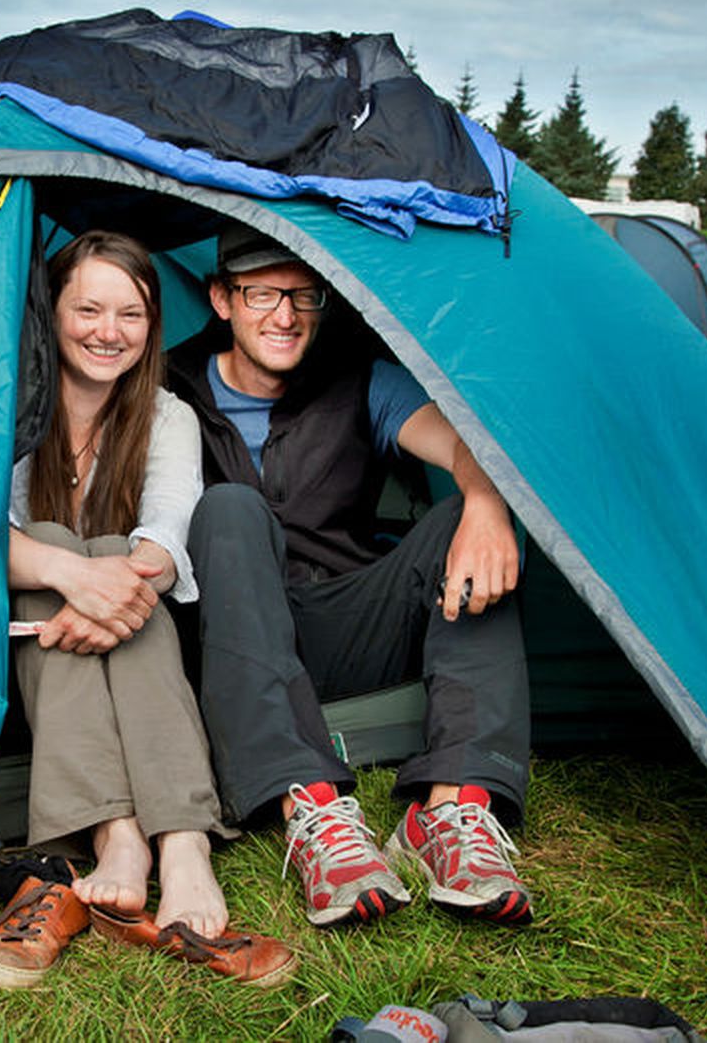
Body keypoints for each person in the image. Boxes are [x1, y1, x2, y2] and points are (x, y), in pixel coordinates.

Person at [166, 223, 533, 931]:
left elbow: (459, 445)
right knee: (229, 507)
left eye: (303, 296)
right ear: (221, 299)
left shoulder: (358, 374)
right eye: (263, 293)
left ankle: (455, 812)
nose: (285, 315)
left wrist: (487, 505)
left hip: (346, 616)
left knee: (465, 516)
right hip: (225, 638)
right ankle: (314, 813)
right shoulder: (165, 386)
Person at [0, 231, 293, 991]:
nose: (108, 332)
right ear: (51, 313)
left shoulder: (167, 415)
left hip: (139, 639)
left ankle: (179, 843)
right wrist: (67, 574)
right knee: (49, 539)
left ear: (153, 326)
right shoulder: (8, 404)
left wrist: (110, 582)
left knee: (120, 545)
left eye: (131, 314)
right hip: (29, 636)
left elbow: (168, 531)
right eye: (87, 308)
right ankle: (121, 832)